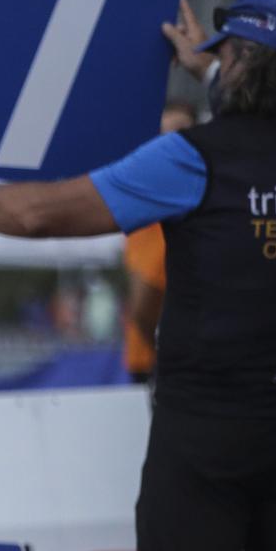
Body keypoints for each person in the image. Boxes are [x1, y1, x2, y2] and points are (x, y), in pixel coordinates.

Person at [0, 0, 276, 551]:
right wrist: (216, 66)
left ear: (247, 61)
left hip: (209, 431)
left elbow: (41, 214)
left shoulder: (193, 159)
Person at [121, 102, 197, 385]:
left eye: (179, 133)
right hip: (163, 363)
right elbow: (143, 302)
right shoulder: (159, 207)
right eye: (163, 137)